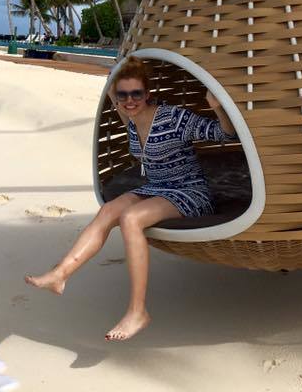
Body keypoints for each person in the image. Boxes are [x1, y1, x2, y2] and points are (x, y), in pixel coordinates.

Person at [24, 57, 238, 341]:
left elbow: (226, 134)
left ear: (147, 93)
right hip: (156, 187)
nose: (129, 100)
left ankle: (138, 312)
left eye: (136, 93)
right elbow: (117, 96)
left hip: (189, 192)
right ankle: (61, 274)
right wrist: (116, 79)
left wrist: (217, 106)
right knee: (108, 211)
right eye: (123, 95)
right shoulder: (132, 120)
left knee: (131, 218)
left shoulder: (174, 118)